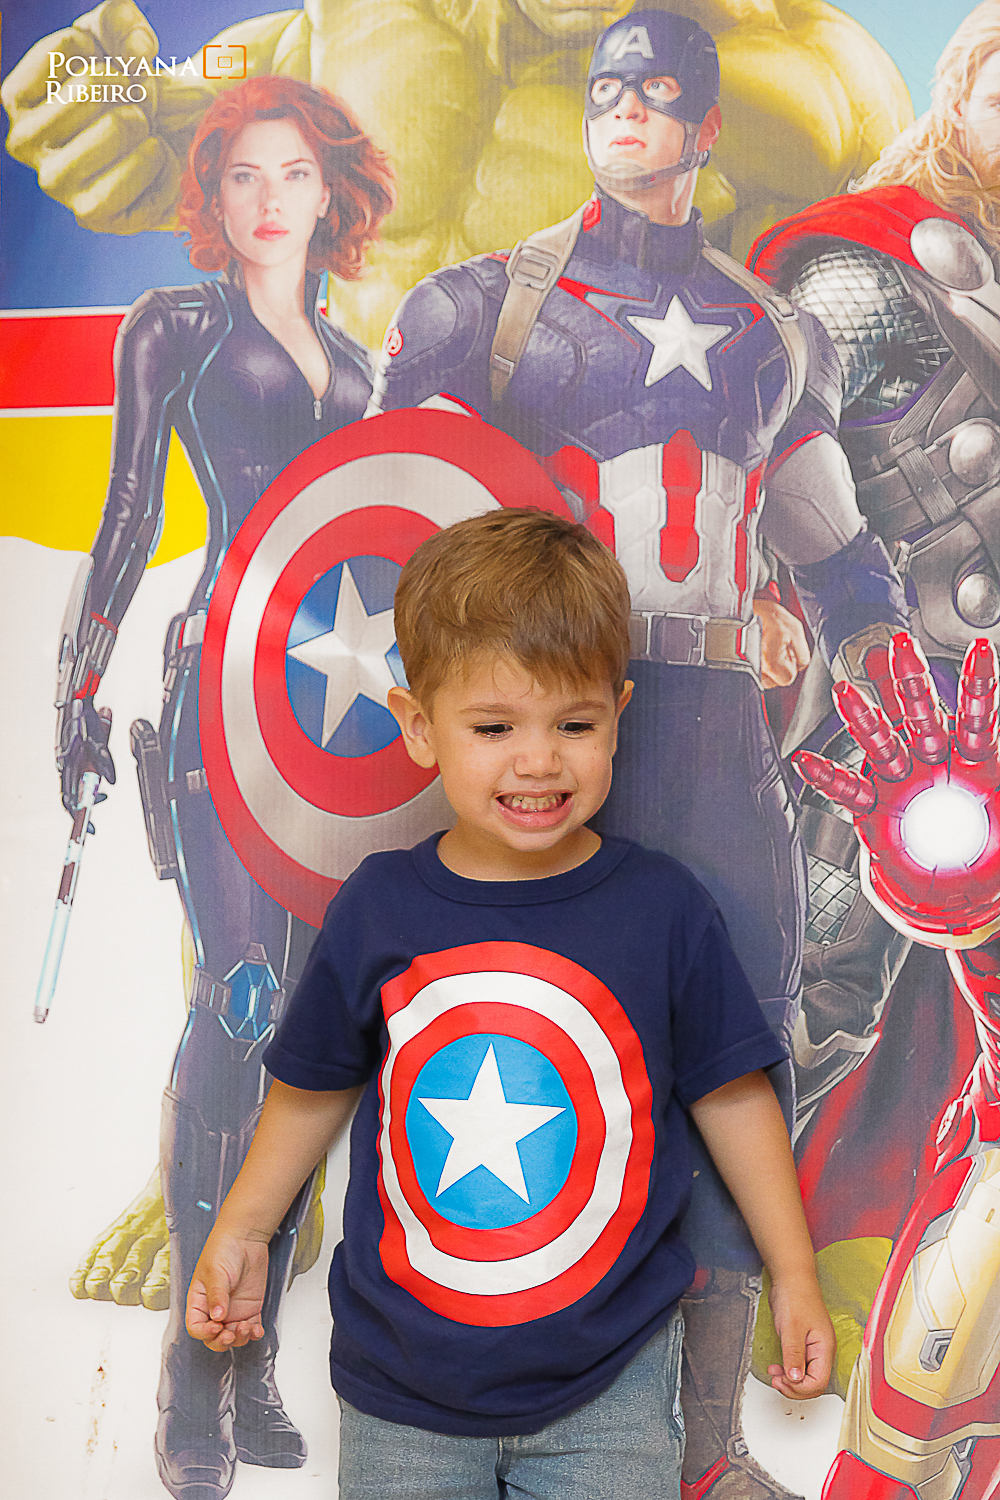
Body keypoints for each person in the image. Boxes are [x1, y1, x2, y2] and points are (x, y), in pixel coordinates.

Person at [366, 11, 907, 1494]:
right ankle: (513, 1423)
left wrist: (872, 673)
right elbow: (377, 514)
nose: (623, 112)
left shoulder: (772, 334)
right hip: (557, 728)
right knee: (515, 1052)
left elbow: (839, 553)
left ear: (703, 128)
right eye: (606, 89)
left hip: (721, 738)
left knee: (741, 1056)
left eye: (657, 93)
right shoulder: (485, 310)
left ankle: (705, 1450)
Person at [184, 506, 835, 1500]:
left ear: (617, 713)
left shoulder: (663, 909)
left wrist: (791, 1272)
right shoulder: (379, 907)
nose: (538, 761)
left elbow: (734, 1095)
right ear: (418, 726)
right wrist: (242, 1230)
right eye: (493, 728)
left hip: (613, 1391)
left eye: (575, 724)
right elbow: (311, 1087)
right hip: (399, 1392)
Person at [53, 74, 393, 1500]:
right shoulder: (176, 326)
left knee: (313, 1034)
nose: (267, 199)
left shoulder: (359, 360)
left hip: (346, 707)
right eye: (243, 174)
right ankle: (194, 1370)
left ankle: (251, 1356)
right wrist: (74, 688)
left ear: (328, 190)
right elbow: (129, 510)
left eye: (292, 173)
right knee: (237, 1003)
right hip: (219, 691)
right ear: (216, 191)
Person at [746, 5, 1000, 1493]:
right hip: (893, 709)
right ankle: (737, 1287)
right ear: (961, 88)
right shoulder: (865, 261)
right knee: (822, 987)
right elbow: (779, 442)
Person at [0, 0, 914, 347]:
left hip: (647, 581)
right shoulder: (347, 29)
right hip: (371, 536)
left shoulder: (810, 88)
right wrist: (93, 107)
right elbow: (162, 121)